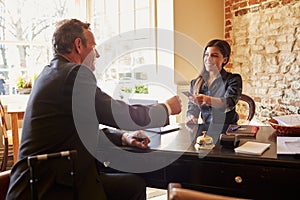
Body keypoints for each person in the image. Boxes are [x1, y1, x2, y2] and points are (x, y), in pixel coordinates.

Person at [6, 19, 182, 200]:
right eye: (93, 46)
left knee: (132, 185)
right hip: (49, 189)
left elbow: (77, 131)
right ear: (78, 45)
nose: (97, 54)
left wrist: (123, 136)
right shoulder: (74, 75)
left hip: (47, 179)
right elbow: (118, 114)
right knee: (131, 186)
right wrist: (166, 108)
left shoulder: (52, 73)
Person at [185, 39, 242, 134]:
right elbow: (192, 109)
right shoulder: (195, 83)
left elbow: (228, 103)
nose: (208, 59)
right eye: (206, 55)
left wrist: (206, 99)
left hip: (228, 132)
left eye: (214, 55)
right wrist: (191, 117)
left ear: (225, 59)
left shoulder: (233, 79)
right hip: (205, 132)